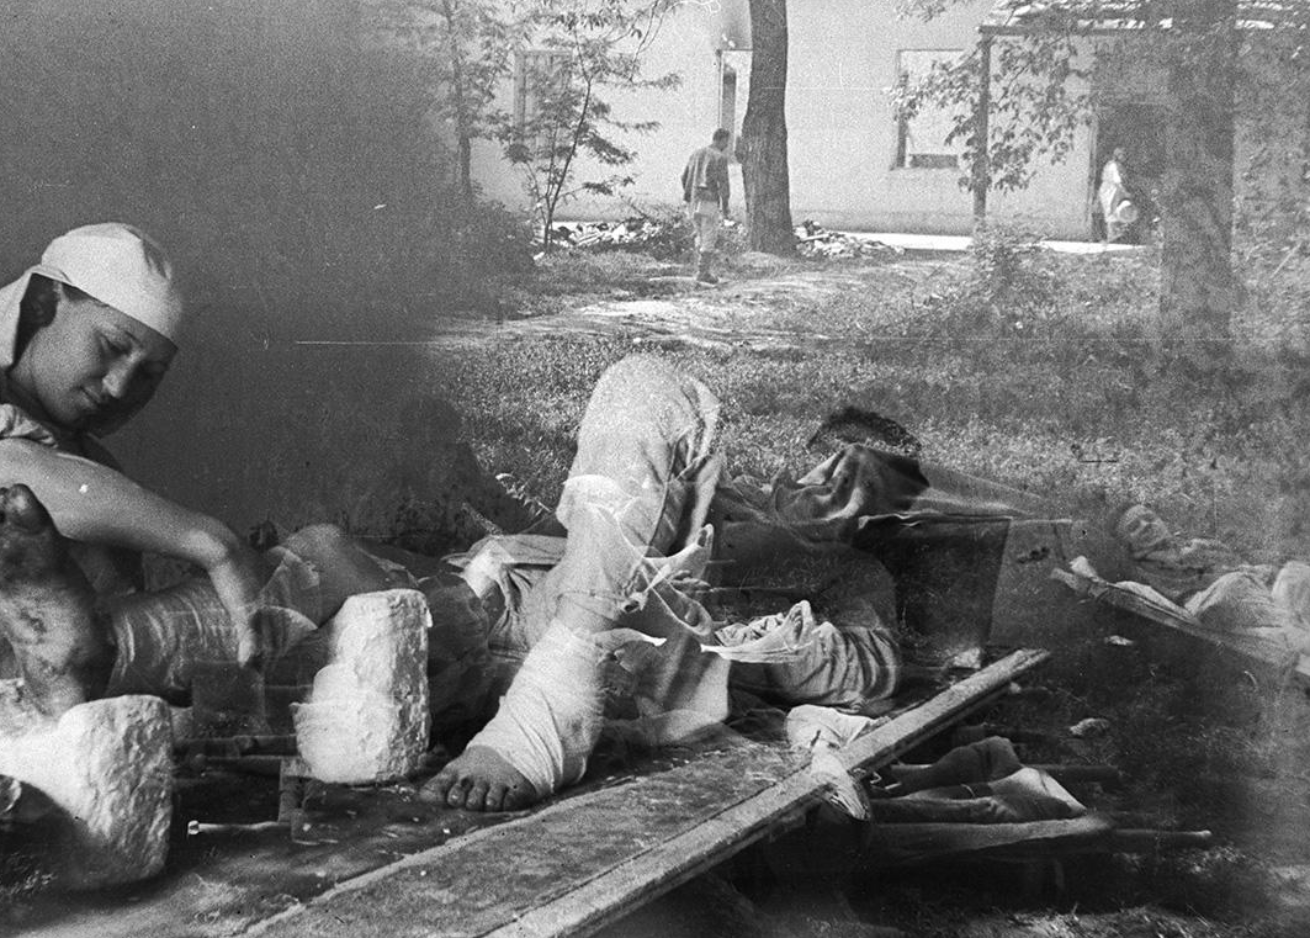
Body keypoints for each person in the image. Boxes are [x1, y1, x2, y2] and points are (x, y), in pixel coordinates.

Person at [421, 356, 1042, 813]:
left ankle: (556, 696)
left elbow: (869, 672)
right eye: (826, 471)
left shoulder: (852, 572)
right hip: (495, 604)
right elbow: (586, 538)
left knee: (645, 384)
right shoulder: (716, 496)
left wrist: (757, 638)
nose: (833, 492)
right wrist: (477, 493)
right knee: (354, 579)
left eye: (861, 489)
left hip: (622, 649)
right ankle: (551, 679)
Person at [0, 223, 409, 717]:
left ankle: (94, 651)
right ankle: (93, 651)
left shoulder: (88, 460)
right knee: (327, 562)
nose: (120, 386)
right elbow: (15, 472)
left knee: (327, 567)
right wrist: (216, 545)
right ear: (43, 303)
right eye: (111, 346)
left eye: (148, 373)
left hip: (58, 680)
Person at [1110, 501, 1310, 646]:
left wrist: (1256, 569)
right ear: (1128, 544)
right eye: (1134, 527)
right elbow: (1200, 580)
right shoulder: (1141, 564)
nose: (1145, 525)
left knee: (1296, 572)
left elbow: (1238, 563)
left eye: (1149, 518)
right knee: (1234, 584)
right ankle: (1295, 630)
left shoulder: (1194, 545)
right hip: (1208, 600)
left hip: (1248, 590)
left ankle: (1297, 626)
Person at [681, 128, 732, 286]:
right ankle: (702, 273)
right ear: (722, 140)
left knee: (699, 235)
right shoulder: (719, 157)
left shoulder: (696, 154)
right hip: (709, 199)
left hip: (693, 200)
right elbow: (724, 184)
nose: (727, 146)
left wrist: (689, 194)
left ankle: (699, 270)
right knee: (709, 236)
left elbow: (684, 177)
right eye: (727, 142)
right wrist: (725, 207)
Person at [1097, 147, 1135, 243]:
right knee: (1110, 210)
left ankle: (1115, 234)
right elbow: (1117, 182)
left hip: (1114, 189)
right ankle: (1111, 235)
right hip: (1110, 189)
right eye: (1122, 155)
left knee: (1116, 211)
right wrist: (1125, 193)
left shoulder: (1118, 165)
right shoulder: (1112, 166)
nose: (1124, 157)